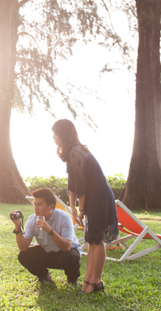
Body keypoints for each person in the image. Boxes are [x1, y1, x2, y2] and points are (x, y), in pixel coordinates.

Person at [52, 119, 119, 293]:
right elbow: (72, 183)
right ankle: (88, 280)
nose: (53, 137)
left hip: (98, 197)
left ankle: (96, 281)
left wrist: (81, 209)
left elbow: (81, 185)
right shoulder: (70, 153)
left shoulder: (76, 152)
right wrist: (72, 206)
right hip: (91, 197)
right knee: (91, 241)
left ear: (63, 134)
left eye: (55, 133)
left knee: (97, 241)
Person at [12, 188, 81, 285]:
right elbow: (23, 247)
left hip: (65, 253)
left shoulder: (64, 217)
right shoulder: (32, 220)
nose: (36, 208)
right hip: (47, 251)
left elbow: (66, 247)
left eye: (40, 204)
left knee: (71, 257)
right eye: (35, 204)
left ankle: (72, 279)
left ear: (51, 207)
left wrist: (50, 230)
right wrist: (17, 228)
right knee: (23, 256)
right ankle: (44, 275)